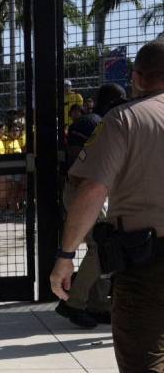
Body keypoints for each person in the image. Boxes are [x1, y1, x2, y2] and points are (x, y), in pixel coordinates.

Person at [50, 39, 164, 373]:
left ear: (138, 76)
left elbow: (92, 189)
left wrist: (65, 255)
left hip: (150, 264)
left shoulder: (127, 119)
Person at [55, 83, 126, 329]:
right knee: (99, 247)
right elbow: (77, 165)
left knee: (102, 247)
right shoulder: (91, 123)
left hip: (94, 190)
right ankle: (73, 303)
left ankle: (97, 304)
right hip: (85, 191)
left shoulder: (105, 122)